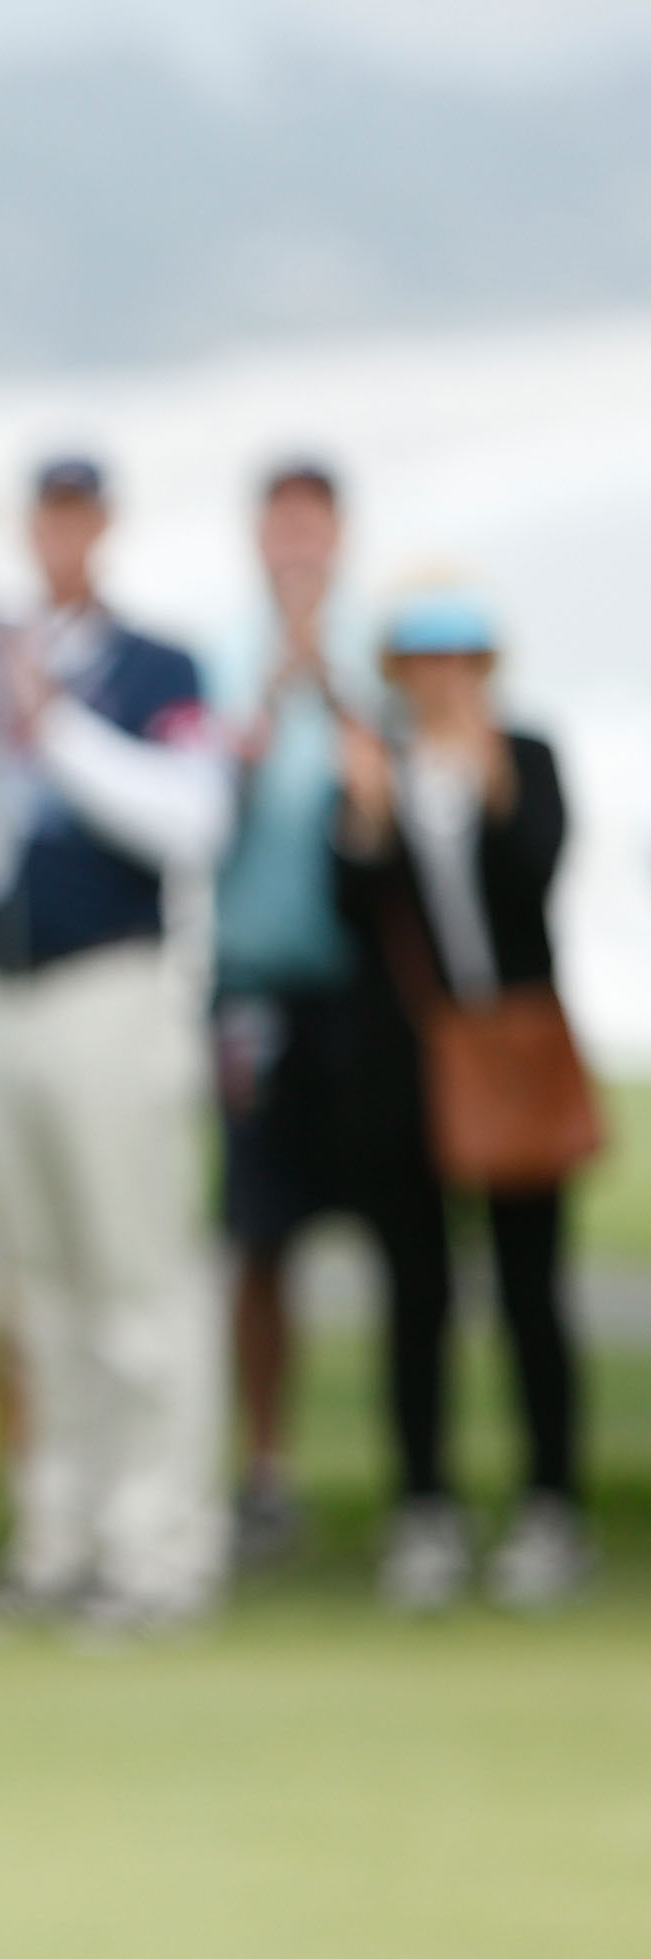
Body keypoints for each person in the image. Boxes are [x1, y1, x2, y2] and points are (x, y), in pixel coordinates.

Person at [0, 455, 234, 1631]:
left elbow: (189, 821)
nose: (60, 533)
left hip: (113, 990)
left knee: (135, 1272)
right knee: (33, 1284)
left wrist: (55, 724)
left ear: (103, 526)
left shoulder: (159, 666)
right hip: (7, 994)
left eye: (78, 513)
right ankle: (61, 1535)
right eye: (45, 512)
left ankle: (162, 1547)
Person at [333, 586, 590, 1611]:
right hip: (409, 1061)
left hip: (515, 1051)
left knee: (532, 1286)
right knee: (417, 1290)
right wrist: (367, 814)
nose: (442, 680)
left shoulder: (523, 755)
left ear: (485, 668)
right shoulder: (375, 768)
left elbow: (537, 870)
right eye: (423, 662)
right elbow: (353, 911)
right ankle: (425, 1505)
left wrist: (489, 785)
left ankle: (550, 1501)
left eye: (460, 660)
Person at [205, 461, 372, 1565]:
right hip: (250, 984)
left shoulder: (374, 658)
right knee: (258, 1233)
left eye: (313, 524)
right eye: (281, 524)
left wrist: (332, 685)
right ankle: (264, 1469)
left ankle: (411, 1485)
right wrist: (270, 693)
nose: (296, 543)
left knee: (392, 1227)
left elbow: (390, 796)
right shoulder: (219, 658)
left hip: (358, 988)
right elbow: (205, 810)